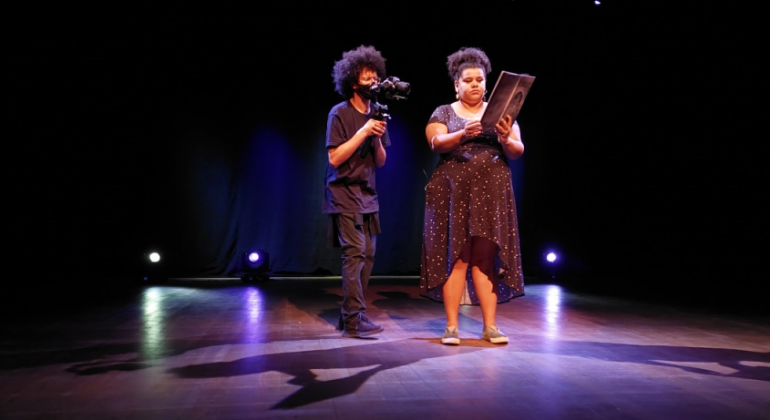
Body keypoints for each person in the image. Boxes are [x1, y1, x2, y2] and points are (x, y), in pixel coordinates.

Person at [420, 46, 526, 345]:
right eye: (468, 80)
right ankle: (452, 327)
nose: (475, 84)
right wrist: (462, 135)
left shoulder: (502, 112)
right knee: (457, 258)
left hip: (491, 191)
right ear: (457, 84)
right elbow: (436, 142)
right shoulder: (444, 111)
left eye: (479, 79)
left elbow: (518, 151)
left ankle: (490, 326)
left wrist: (506, 139)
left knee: (485, 259)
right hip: (452, 191)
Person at [322, 45, 390, 338]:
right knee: (355, 254)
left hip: (368, 194)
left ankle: (352, 313)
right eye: (368, 78)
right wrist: (362, 131)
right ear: (353, 81)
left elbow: (381, 160)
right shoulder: (339, 113)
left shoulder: (377, 113)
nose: (374, 82)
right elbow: (335, 158)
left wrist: (375, 137)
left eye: (376, 77)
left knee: (369, 255)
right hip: (343, 193)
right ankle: (353, 320)